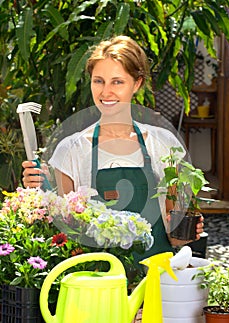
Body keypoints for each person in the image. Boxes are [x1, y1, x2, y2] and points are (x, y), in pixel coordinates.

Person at [22, 35, 204, 258]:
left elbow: (175, 238)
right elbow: (66, 234)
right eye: (98, 81)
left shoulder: (163, 145)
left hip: (155, 277)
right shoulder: (71, 150)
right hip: (97, 281)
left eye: (117, 82)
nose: (106, 92)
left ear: (137, 84)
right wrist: (38, 189)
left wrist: (187, 228)